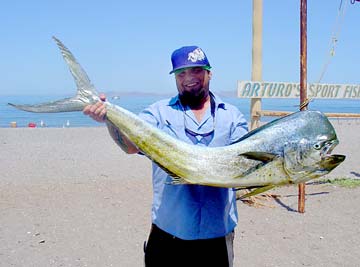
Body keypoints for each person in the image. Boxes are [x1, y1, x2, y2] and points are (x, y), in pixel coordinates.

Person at [83, 46, 248, 267]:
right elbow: (130, 147)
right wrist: (109, 120)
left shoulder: (233, 117)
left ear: (210, 73)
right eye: (181, 73)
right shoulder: (158, 113)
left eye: (196, 70)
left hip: (216, 236)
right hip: (168, 234)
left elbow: (246, 163)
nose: (188, 78)